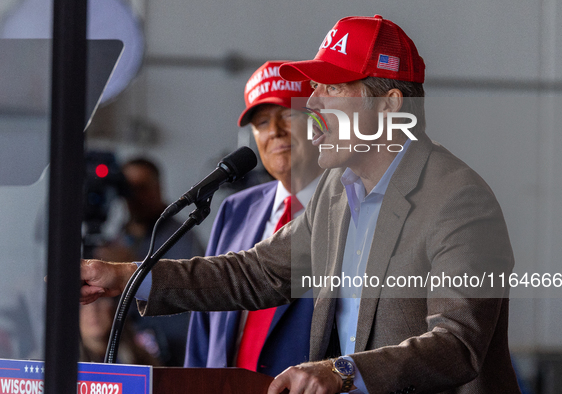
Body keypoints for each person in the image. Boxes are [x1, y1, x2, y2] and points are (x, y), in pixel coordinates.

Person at [81, 15, 521, 393]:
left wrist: (342, 372)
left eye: (333, 88)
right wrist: (128, 277)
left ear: (390, 105)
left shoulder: (459, 201)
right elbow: (257, 272)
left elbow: (457, 344)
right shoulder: (338, 190)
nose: (311, 102)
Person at [183, 61, 323, 376]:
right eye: (261, 122)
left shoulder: (352, 208)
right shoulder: (236, 210)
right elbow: (204, 327)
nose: (275, 131)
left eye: (288, 115)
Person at [94, 158, 205, 366]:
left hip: (173, 359)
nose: (135, 197)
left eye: (142, 188)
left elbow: (189, 299)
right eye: (128, 189)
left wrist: (129, 270)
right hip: (126, 358)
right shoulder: (119, 236)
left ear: (159, 187)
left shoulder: (181, 237)